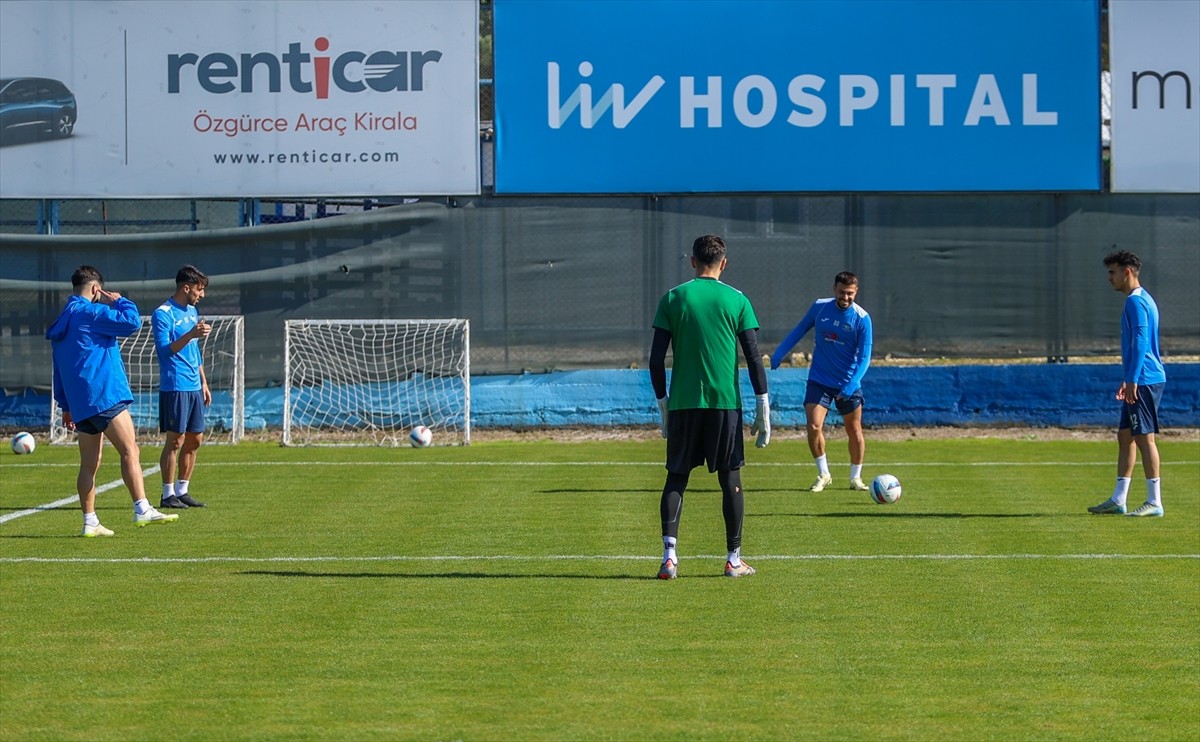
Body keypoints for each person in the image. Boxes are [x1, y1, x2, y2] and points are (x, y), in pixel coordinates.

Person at [649, 235, 770, 580]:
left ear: (692, 261)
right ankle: (733, 559)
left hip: (684, 404)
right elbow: (753, 357)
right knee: (730, 477)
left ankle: (669, 558)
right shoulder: (737, 300)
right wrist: (763, 403)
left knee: (676, 477)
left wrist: (663, 404)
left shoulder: (674, 297)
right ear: (724, 263)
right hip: (724, 405)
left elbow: (656, 361)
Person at [47, 265, 180, 536]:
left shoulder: (62, 319)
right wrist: (119, 300)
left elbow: (57, 368)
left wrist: (66, 405)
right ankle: (142, 508)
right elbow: (132, 322)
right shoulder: (90, 312)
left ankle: (90, 521)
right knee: (130, 450)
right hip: (104, 395)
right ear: (96, 289)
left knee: (89, 464)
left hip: (81, 403)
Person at [769, 272, 873, 492]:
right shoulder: (820, 307)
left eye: (850, 293)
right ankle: (823, 473)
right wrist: (779, 352)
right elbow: (800, 329)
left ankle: (856, 478)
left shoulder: (862, 318)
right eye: (842, 292)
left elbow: (865, 357)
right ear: (834, 288)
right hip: (819, 380)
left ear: (856, 292)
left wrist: (852, 383)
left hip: (848, 383)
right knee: (814, 425)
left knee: (854, 430)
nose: (845, 297)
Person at [1089, 250, 1167, 517]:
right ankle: (1119, 499)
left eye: (1112, 272)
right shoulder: (1143, 299)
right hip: (1138, 378)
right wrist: (1128, 379)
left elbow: (1141, 342)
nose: (1109, 278)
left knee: (1145, 439)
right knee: (1125, 437)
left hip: (1144, 380)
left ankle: (1154, 502)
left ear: (1127, 272)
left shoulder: (1135, 302)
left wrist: (1133, 379)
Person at [153, 265, 212, 509]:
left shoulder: (191, 311)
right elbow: (164, 351)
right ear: (185, 288)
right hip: (175, 384)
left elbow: (194, 351)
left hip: (193, 385)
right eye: (199, 290)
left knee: (195, 439)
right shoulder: (163, 313)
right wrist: (190, 334)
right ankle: (167, 495)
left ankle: (182, 490)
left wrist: (204, 382)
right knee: (175, 440)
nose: (202, 295)